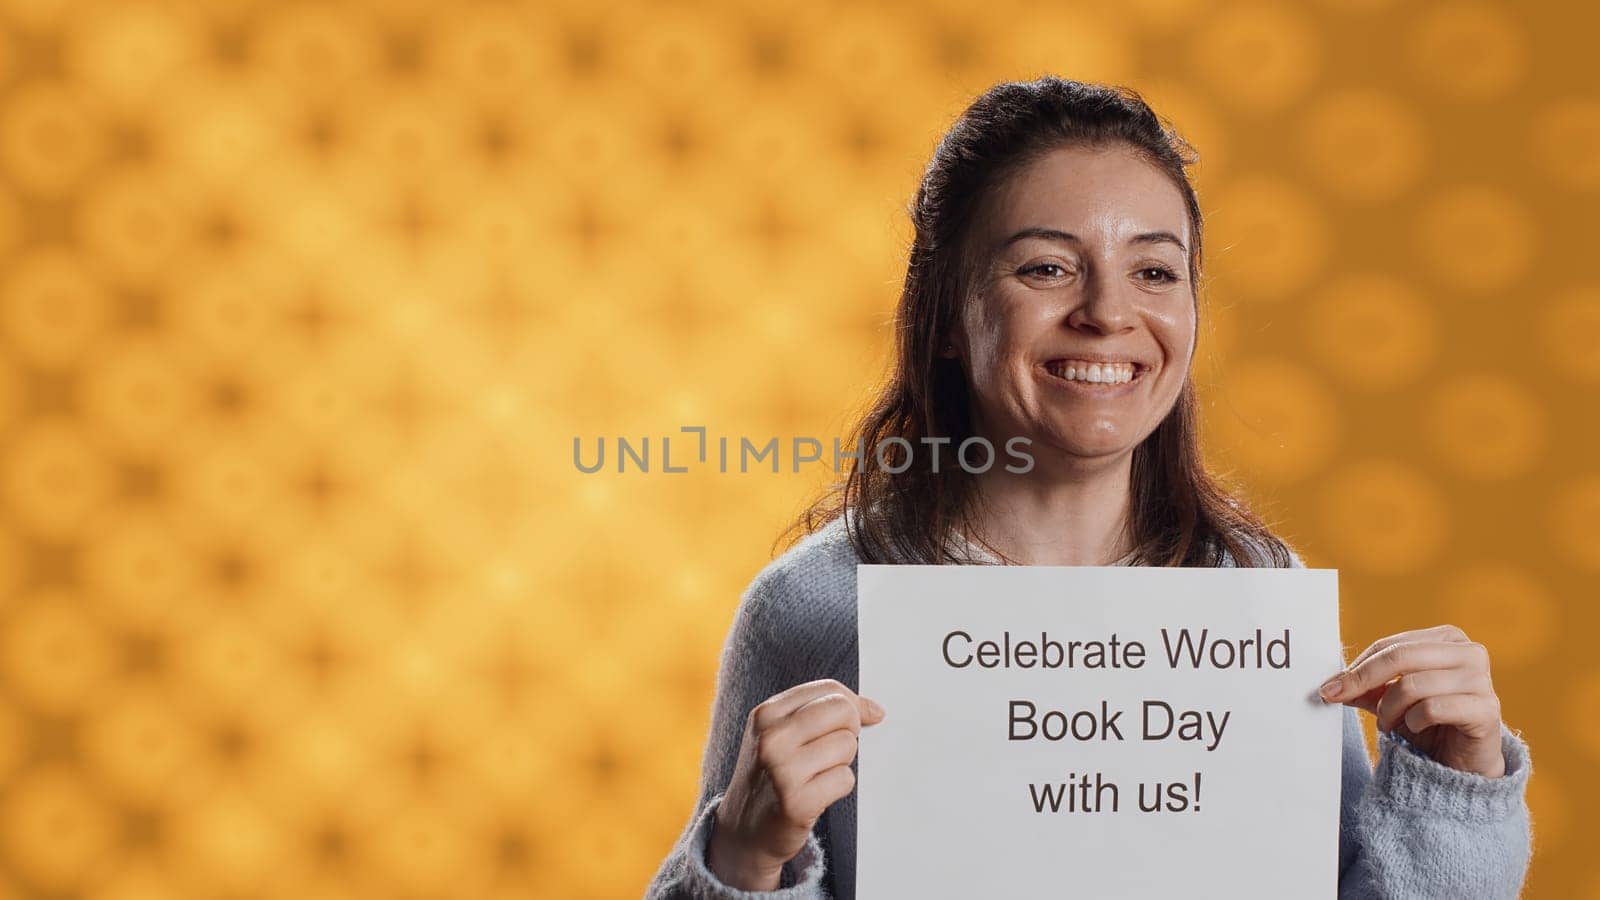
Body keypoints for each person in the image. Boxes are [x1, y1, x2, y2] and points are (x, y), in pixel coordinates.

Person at [644, 76, 1532, 899]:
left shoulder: (1256, 593)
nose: (1108, 312)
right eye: (1046, 267)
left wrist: (1456, 793)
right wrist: (744, 858)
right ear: (948, 314)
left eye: (1154, 270)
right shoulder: (812, 608)